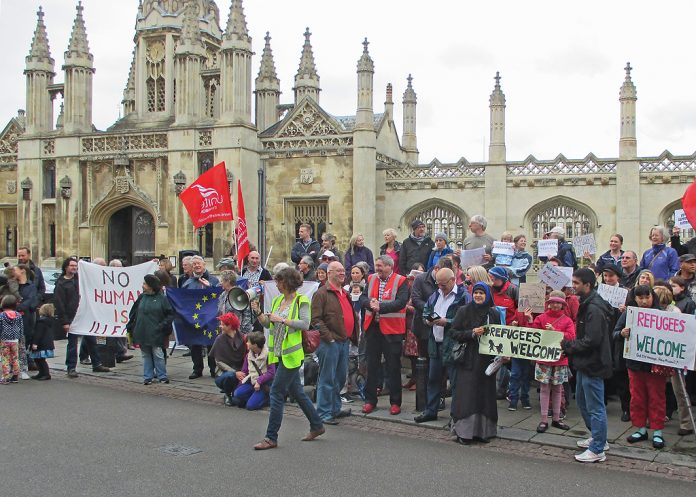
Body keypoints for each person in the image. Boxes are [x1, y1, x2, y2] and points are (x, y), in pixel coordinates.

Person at [250, 267, 324, 450]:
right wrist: (259, 312)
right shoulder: (277, 300)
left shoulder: (302, 301)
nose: (277, 285)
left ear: (288, 282)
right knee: (297, 392)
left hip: (292, 355)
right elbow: (268, 323)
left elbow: (305, 324)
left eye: (279, 281)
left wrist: (282, 320)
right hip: (279, 354)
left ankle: (271, 437)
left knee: (276, 392)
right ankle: (317, 425)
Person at [561, 268, 613, 463]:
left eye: (576, 283)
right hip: (585, 362)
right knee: (583, 401)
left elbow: (592, 340)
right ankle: (599, 437)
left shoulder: (594, 309)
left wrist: (567, 345)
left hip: (593, 363)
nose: (573, 286)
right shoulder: (587, 303)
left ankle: (598, 448)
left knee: (595, 406)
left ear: (587, 285)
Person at [614, 285, 670, 449]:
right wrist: (622, 333)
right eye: (640, 298)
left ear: (653, 297)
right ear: (635, 299)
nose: (644, 301)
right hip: (634, 364)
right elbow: (615, 333)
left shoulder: (661, 315)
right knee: (637, 398)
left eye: (647, 297)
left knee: (657, 398)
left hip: (655, 366)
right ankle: (641, 429)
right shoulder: (629, 314)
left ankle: (657, 431)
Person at [415, 268, 470, 423]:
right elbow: (426, 310)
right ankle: (431, 411)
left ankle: (456, 415)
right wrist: (428, 319)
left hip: (453, 345)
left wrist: (447, 322)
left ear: (453, 280)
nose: (440, 287)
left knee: (455, 383)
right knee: (433, 379)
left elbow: (467, 320)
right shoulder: (435, 295)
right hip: (436, 343)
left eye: (443, 284)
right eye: (438, 284)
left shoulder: (463, 296)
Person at [449, 282, 501, 444]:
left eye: (482, 293)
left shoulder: (493, 313)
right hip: (468, 360)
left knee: (485, 396)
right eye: (476, 292)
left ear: (487, 295)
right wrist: (471, 333)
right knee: (467, 396)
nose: (478, 295)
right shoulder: (464, 311)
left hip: (486, 361)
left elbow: (499, 335)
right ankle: (464, 432)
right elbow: (453, 332)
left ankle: (483, 432)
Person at [311, 261, 360, 425]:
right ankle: (324, 413)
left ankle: (334, 408)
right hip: (329, 343)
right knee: (327, 378)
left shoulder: (344, 293)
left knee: (339, 377)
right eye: (338, 271)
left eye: (342, 271)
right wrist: (329, 338)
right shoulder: (321, 293)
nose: (342, 273)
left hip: (344, 341)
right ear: (329, 273)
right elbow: (315, 319)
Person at [360, 255, 409, 415]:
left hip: (392, 331)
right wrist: (370, 304)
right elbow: (363, 297)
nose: (377, 268)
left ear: (389, 266)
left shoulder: (401, 281)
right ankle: (370, 400)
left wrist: (380, 307)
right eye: (377, 265)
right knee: (372, 366)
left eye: (380, 266)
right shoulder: (371, 278)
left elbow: (401, 302)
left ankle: (395, 402)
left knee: (393, 367)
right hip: (373, 328)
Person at [526, 292, 575, 432]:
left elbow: (571, 337)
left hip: (560, 359)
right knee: (544, 388)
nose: (555, 305)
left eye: (558, 302)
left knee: (558, 389)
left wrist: (555, 331)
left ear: (563, 305)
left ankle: (556, 418)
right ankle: (543, 420)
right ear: (548, 303)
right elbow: (533, 335)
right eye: (553, 302)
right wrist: (530, 320)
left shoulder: (567, 320)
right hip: (544, 358)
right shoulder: (541, 318)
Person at [56, 257, 109, 378]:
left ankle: (97, 364)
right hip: (71, 317)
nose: (74, 268)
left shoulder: (79, 279)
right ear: (66, 267)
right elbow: (60, 304)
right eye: (72, 266)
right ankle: (71, 367)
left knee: (92, 340)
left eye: (76, 266)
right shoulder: (61, 283)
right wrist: (64, 321)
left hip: (85, 315)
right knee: (72, 344)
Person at [126, 274, 174, 385]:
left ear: (151, 286)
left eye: (145, 284)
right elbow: (133, 313)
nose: (143, 286)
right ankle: (148, 376)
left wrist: (162, 325)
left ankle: (162, 375)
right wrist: (130, 326)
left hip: (156, 332)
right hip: (142, 330)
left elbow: (170, 314)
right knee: (145, 354)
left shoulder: (162, 299)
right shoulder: (142, 297)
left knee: (158, 353)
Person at [182, 255, 219, 379]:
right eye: (194, 264)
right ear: (192, 267)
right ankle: (197, 369)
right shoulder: (187, 283)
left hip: (210, 318)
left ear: (204, 265)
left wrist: (210, 288)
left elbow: (220, 295)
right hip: (194, 318)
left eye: (199, 263)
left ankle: (214, 369)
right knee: (195, 344)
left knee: (211, 344)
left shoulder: (214, 280)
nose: (197, 266)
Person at [230, 331, 276, 410]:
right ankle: (254, 396)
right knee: (237, 394)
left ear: (255, 345)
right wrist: (239, 386)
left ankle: (267, 399)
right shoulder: (248, 355)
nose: (246, 343)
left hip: (263, 385)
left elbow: (271, 373)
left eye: (248, 342)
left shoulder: (269, 354)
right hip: (252, 382)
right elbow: (244, 371)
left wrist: (259, 381)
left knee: (250, 406)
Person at [209, 312, 246, 405]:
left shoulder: (243, 337)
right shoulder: (219, 339)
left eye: (222, 324)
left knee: (240, 401)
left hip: (241, 371)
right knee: (230, 376)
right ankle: (227, 394)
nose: (220, 326)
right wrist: (234, 372)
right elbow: (219, 362)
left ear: (229, 326)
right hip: (223, 374)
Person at [14, 264, 38, 379]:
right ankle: (11, 368)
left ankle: (23, 368)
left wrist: (18, 307)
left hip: (26, 318)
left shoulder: (31, 286)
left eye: (15, 270)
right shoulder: (12, 285)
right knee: (10, 343)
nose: (13, 272)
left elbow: (31, 302)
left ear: (22, 271)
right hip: (11, 318)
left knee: (23, 343)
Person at [217, 270, 254, 335]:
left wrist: (242, 333)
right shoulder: (223, 295)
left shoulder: (240, 294)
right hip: (225, 332)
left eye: (221, 281)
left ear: (228, 281)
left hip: (237, 333)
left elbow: (247, 314)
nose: (220, 283)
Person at [28, 303, 55, 380]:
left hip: (41, 344)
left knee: (40, 360)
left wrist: (34, 343)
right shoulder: (50, 321)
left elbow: (38, 334)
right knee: (39, 359)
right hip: (46, 343)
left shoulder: (41, 322)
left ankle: (46, 374)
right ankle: (41, 373)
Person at [0, 295, 23, 384]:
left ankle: (5, 377)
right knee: (15, 357)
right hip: (15, 340)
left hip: (4, 339)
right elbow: (21, 327)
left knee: (5, 358)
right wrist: (20, 338)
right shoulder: (18, 315)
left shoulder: (2, 316)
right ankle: (15, 376)